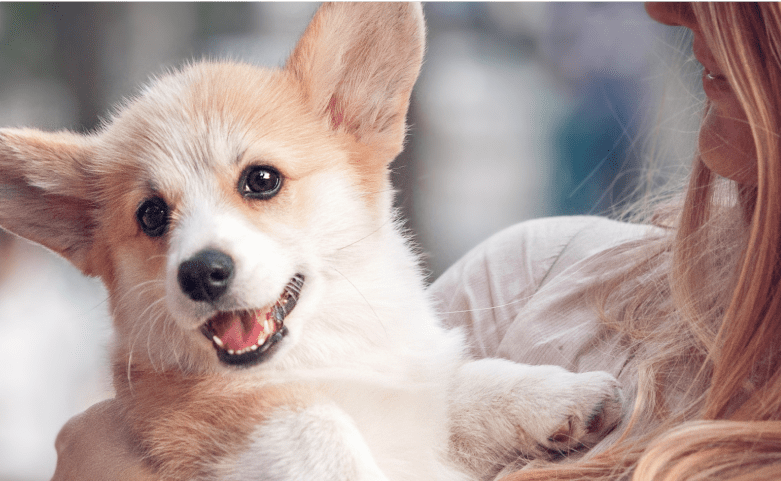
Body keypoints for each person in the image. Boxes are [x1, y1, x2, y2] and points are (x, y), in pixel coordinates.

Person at [52, 2, 781, 480]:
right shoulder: (531, 282)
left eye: (261, 181)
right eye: (154, 217)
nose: (664, 7)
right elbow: (405, 408)